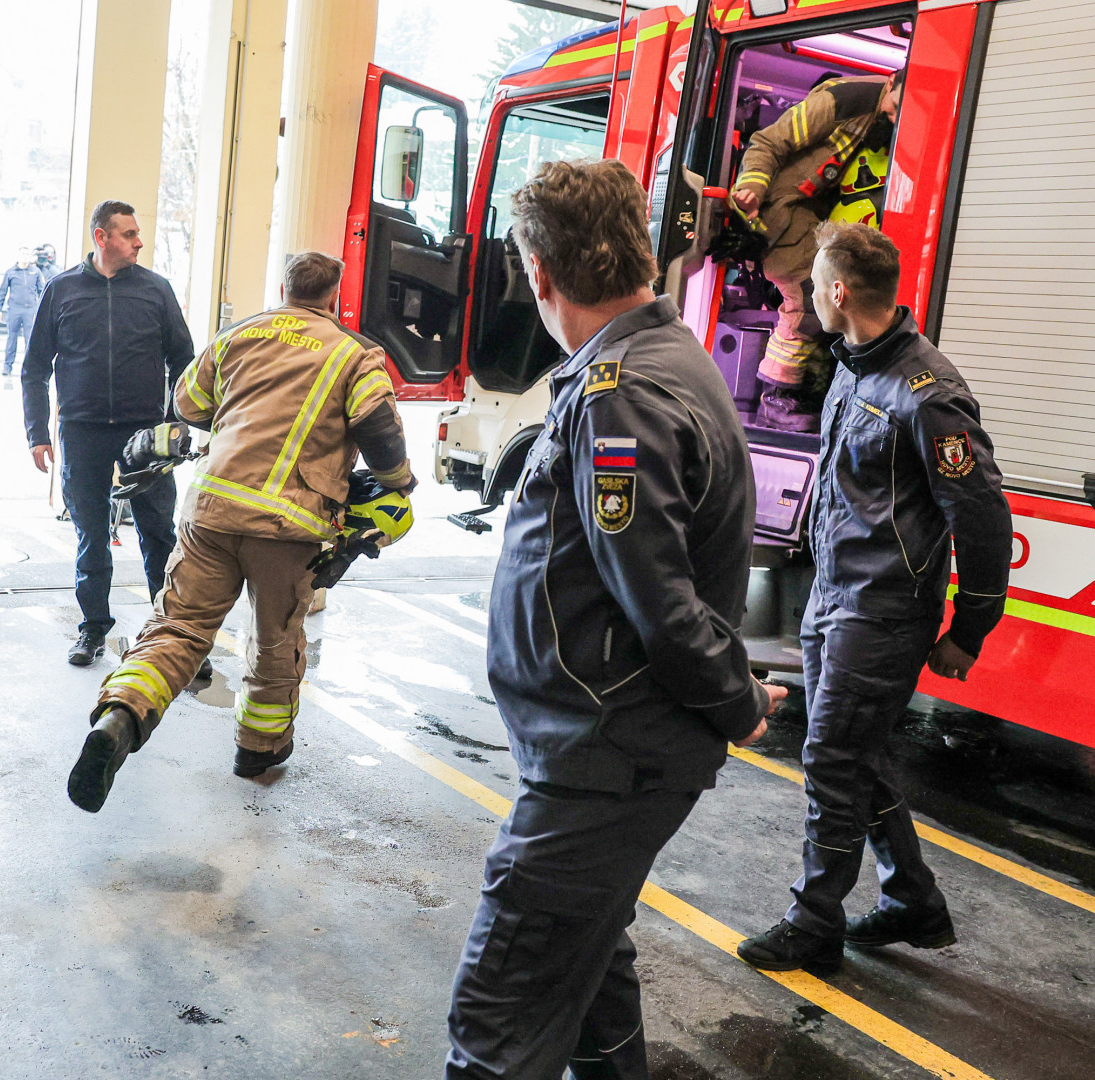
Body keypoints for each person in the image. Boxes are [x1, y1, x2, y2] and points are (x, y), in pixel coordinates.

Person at [446, 161, 785, 1080]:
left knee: (501, 1009)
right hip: (605, 746)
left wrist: (738, 700)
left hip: (604, 754)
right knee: (590, 968)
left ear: (541, 274)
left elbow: (659, 600)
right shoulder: (663, 360)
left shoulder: (622, 393)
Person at [736, 223, 1013, 973]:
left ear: (838, 292)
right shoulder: (856, 368)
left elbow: (983, 519)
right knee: (861, 757)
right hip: (835, 601)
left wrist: (970, 630)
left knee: (831, 758)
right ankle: (912, 903)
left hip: (884, 612)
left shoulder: (928, 395)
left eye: (813, 286)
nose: (807, 299)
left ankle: (812, 919)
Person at [66, 252, 416, 812]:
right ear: (335, 295)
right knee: (275, 640)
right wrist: (400, 484)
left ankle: (120, 717)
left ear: (283, 287)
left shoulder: (239, 335)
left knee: (177, 626)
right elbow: (379, 429)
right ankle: (257, 750)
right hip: (290, 524)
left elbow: (188, 406)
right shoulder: (355, 355)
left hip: (212, 509)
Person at [22, 200, 195, 665]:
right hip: (82, 433)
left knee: (159, 534)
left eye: (138, 234)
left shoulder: (157, 291)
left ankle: (172, 634)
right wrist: (37, 432)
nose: (139, 242)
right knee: (91, 535)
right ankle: (93, 629)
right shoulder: (62, 291)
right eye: (129, 234)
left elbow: (185, 362)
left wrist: (178, 421)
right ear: (102, 238)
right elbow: (34, 368)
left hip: (146, 435)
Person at [731, 68, 904, 432]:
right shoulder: (841, 100)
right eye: (892, 108)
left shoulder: (888, 113)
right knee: (809, 301)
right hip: (782, 216)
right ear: (890, 82)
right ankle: (779, 398)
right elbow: (767, 142)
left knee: (832, 301)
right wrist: (752, 188)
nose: (893, 118)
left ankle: (801, 395)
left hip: (815, 216)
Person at [0, 246, 44, 376]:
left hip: (30, 310)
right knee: (12, 338)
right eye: (22, 254)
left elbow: (42, 291)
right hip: (14, 310)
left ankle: (30, 368)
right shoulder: (11, 272)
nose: (24, 256)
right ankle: (7, 366)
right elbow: (2, 291)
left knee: (30, 340)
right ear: (18, 256)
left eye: (27, 254)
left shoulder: (36, 272)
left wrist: (43, 310)